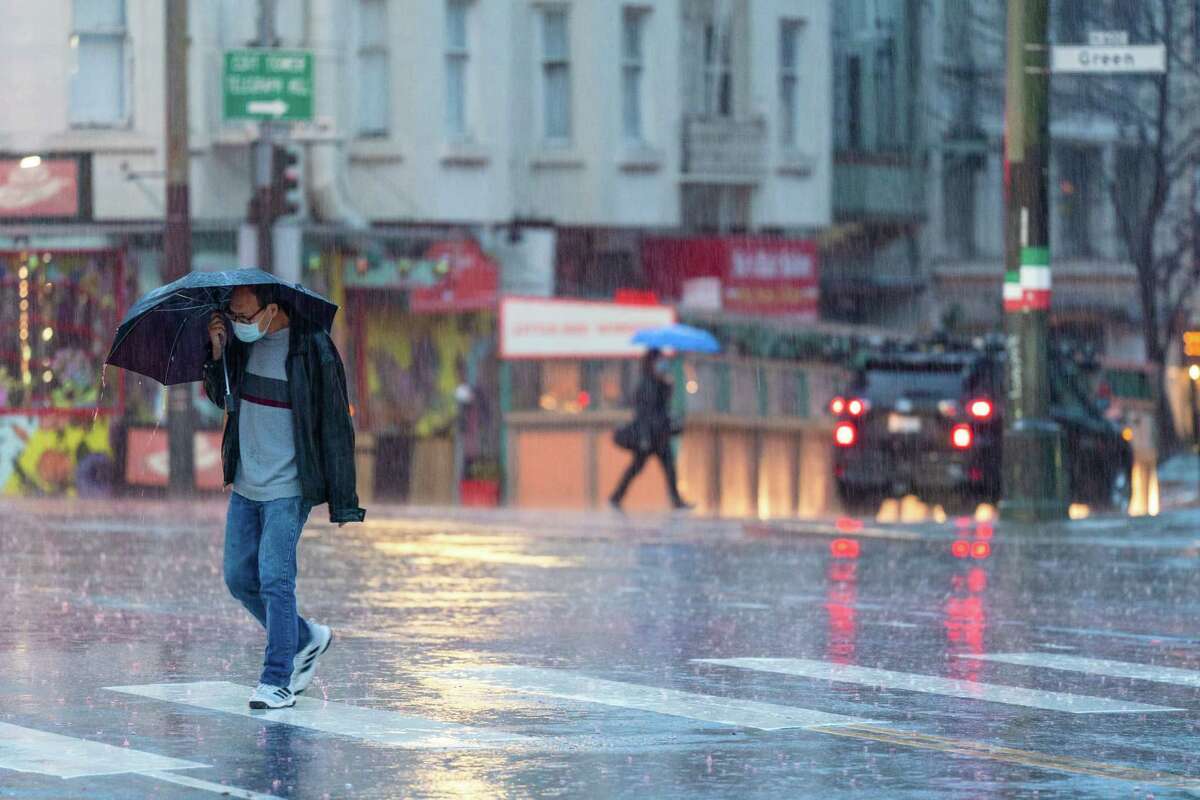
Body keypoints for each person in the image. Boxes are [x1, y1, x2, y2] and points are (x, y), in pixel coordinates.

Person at [204, 284, 365, 710]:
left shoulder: (311, 349)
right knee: (240, 579)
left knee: (276, 578)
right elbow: (221, 397)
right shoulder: (238, 347)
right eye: (232, 317)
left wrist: (342, 497)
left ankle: (276, 679)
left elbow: (334, 422)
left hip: (289, 487)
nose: (239, 324)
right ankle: (306, 637)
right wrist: (218, 354)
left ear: (271, 309)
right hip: (245, 484)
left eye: (244, 316)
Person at [609, 348, 692, 511]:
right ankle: (616, 497)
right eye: (659, 361)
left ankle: (676, 500)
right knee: (637, 468)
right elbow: (643, 413)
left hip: (660, 435)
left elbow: (663, 406)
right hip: (649, 436)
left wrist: (668, 385)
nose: (662, 364)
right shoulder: (646, 384)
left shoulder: (662, 382)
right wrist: (645, 437)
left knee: (668, 468)